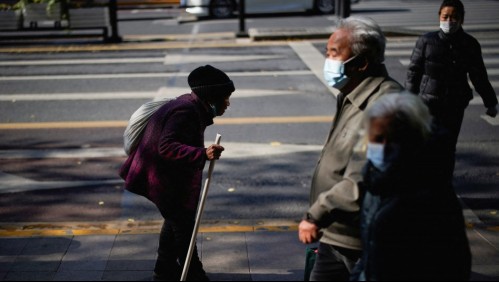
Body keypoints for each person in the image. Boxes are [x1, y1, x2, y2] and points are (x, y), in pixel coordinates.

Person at [298, 16, 403, 281]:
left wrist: (317, 214)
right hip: (335, 235)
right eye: (327, 52)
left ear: (362, 62)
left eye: (335, 53)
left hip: (363, 240)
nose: (328, 60)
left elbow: (363, 175)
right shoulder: (349, 94)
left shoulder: (386, 106)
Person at [119, 65, 235, 281]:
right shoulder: (186, 110)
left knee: (175, 220)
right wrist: (203, 153)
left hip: (165, 178)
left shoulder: (191, 104)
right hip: (160, 178)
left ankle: (164, 269)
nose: (228, 103)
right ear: (211, 98)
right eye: (225, 98)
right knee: (183, 227)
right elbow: (167, 146)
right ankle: (193, 273)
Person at [351, 93, 471, 281]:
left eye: (393, 138)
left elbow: (451, 265)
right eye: (378, 138)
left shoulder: (430, 195)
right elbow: (370, 257)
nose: (384, 146)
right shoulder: (375, 182)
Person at [405, 0, 498, 181]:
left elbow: (478, 76)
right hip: (427, 103)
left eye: (454, 17)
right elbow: (413, 73)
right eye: (445, 16)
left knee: (447, 147)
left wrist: (491, 102)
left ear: (462, 19)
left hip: (454, 104)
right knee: (426, 145)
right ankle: (426, 184)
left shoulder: (470, 44)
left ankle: (444, 185)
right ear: (439, 16)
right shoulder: (426, 41)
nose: (449, 21)